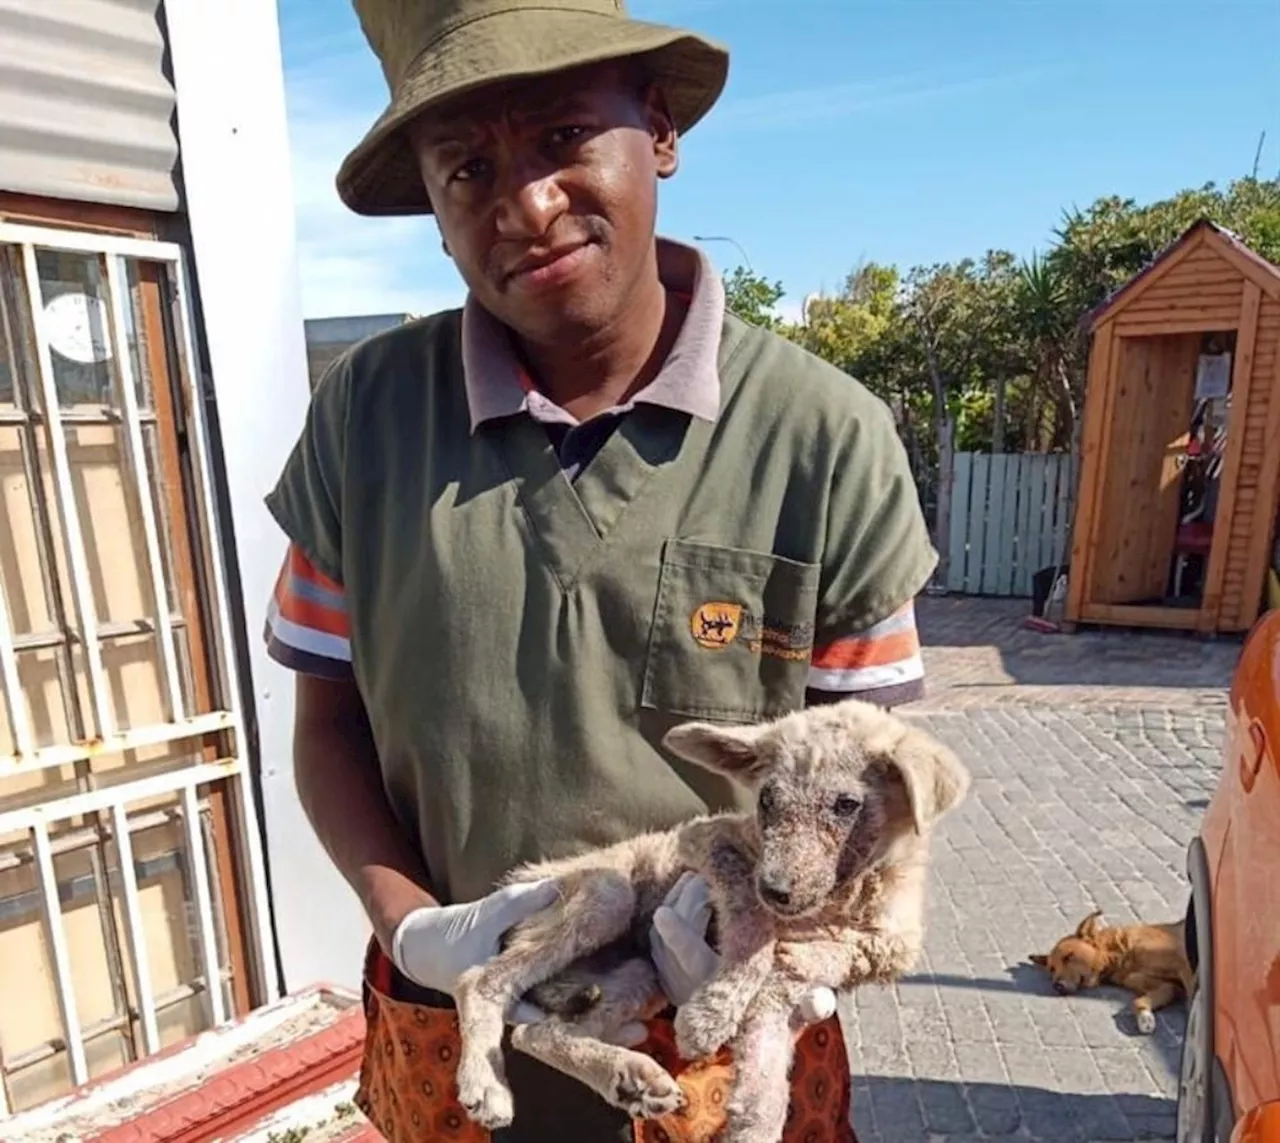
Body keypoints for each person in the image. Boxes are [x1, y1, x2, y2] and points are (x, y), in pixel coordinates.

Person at [264, 0, 937, 1138]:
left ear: (659, 129)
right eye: (467, 168)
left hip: (727, 1034)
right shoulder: (364, 424)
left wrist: (805, 953)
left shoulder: (822, 439)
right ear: (430, 208)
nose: (524, 205)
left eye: (564, 137)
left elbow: (880, 794)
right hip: (464, 1035)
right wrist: (412, 927)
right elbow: (327, 728)